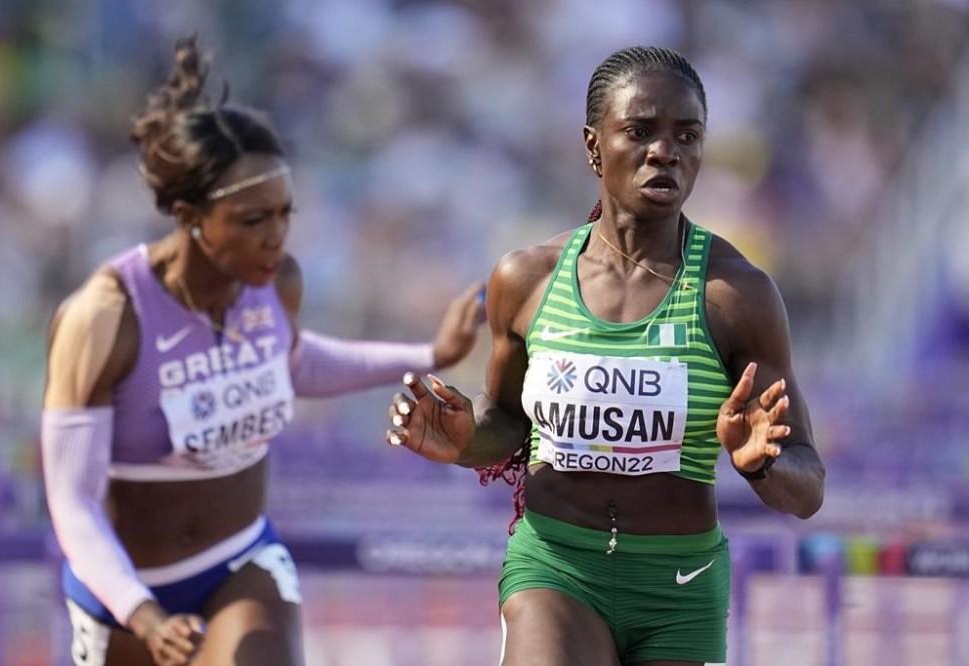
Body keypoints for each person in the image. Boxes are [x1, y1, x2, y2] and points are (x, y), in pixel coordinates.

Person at [41, 35, 485, 666]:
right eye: (254, 221)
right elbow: (72, 501)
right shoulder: (106, 318)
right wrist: (141, 612)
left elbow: (294, 364)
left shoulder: (275, 282)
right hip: (123, 595)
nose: (277, 239)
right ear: (191, 216)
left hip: (239, 563)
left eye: (285, 214)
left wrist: (427, 352)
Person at [386, 45, 825, 666]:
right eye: (640, 131)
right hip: (556, 566)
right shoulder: (527, 278)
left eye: (687, 135)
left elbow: (806, 491)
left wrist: (761, 465)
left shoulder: (736, 294)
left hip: (681, 585)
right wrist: (463, 439)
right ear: (594, 146)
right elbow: (507, 425)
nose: (665, 151)